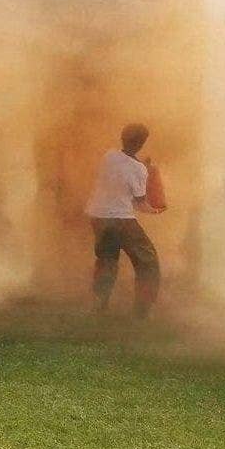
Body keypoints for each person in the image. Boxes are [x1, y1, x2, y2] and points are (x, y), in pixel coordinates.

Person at [84, 123, 165, 318]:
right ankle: (142, 310)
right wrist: (156, 211)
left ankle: (99, 304)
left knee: (107, 260)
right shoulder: (139, 169)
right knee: (148, 261)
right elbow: (139, 203)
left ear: (122, 137)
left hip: (98, 215)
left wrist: (142, 166)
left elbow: (123, 169)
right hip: (120, 219)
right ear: (142, 142)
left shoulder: (109, 156)